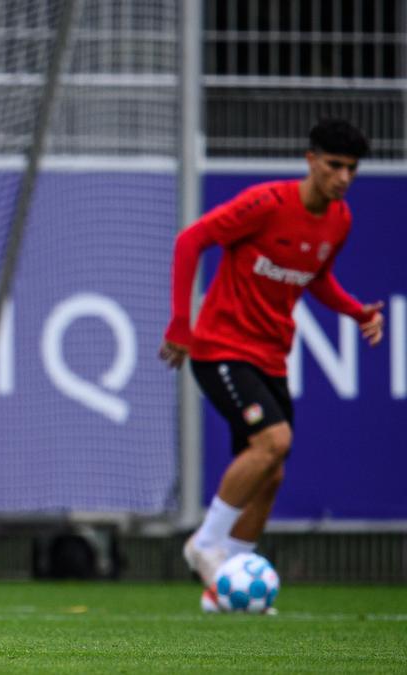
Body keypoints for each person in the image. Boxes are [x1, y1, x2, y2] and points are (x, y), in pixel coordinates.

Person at [160, 118, 384, 611]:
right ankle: (205, 544)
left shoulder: (339, 219)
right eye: (334, 165)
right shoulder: (265, 204)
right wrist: (182, 323)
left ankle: (226, 586)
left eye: (351, 168)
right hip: (220, 348)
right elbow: (190, 241)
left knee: (272, 471)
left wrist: (355, 310)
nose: (343, 177)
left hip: (270, 355)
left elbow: (316, 277)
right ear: (310, 160)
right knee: (274, 441)